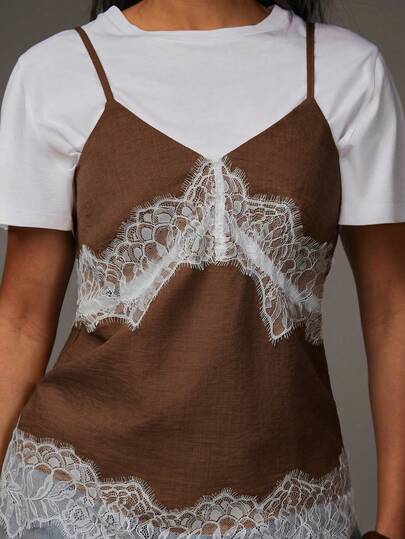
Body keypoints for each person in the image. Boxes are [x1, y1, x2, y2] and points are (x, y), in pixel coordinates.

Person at [0, 1, 404, 537]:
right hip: (77, 502)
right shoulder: (57, 70)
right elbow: (21, 319)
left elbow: (392, 311)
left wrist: (394, 523)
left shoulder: (346, 71)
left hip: (289, 509)